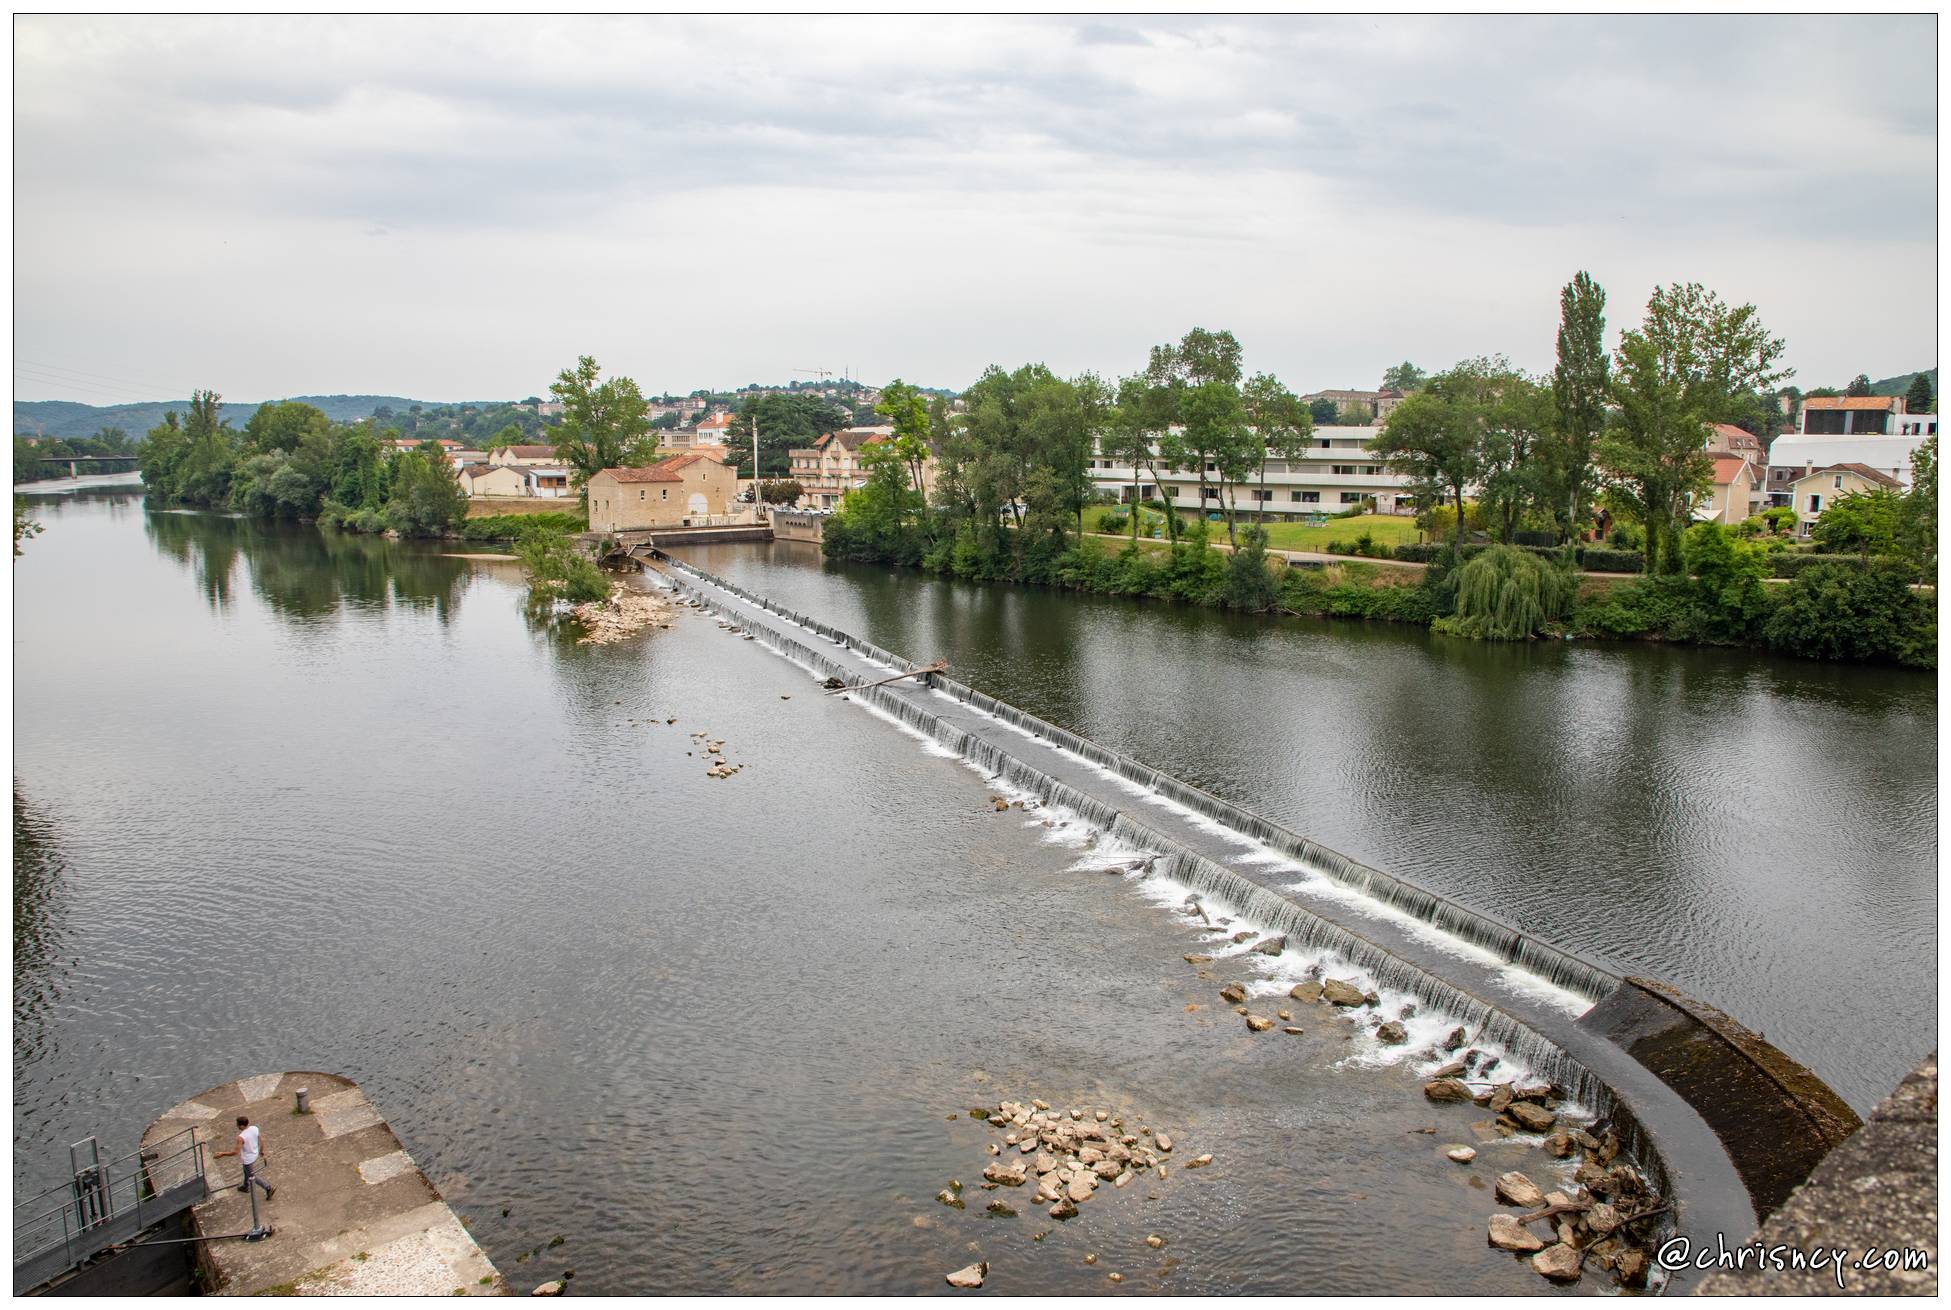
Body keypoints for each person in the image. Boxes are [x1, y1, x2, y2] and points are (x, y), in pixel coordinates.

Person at [215, 1115, 275, 1201]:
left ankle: (268, 1188)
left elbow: (236, 1152)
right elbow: (261, 1140)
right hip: (255, 1154)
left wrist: (222, 1154)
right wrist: (262, 1151)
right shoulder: (254, 1128)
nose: (237, 1126)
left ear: (242, 1125)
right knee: (246, 1171)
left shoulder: (241, 1137)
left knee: (252, 1176)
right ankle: (245, 1186)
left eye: (238, 1125)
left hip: (248, 1159)